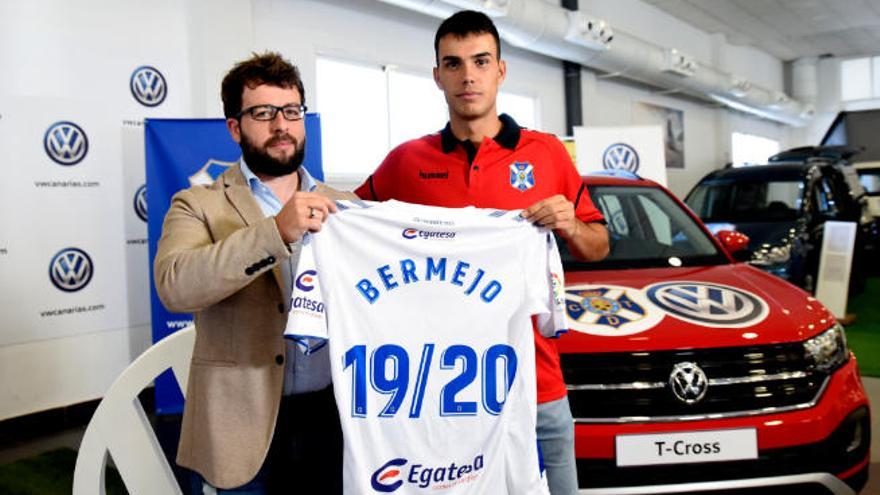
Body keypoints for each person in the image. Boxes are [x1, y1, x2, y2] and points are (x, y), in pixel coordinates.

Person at [354, 11, 609, 495]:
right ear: (437, 76)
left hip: (536, 384)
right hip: (441, 394)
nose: (467, 75)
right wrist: (300, 199)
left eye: (480, 61)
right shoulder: (407, 161)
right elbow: (350, 222)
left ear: (501, 70)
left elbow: (597, 245)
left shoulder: (548, 154)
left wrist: (570, 224)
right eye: (453, 64)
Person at [154, 52, 352, 494]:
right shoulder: (197, 204)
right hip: (236, 427)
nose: (281, 125)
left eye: (291, 111)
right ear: (234, 127)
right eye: (263, 113)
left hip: (332, 420)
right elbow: (175, 284)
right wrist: (275, 232)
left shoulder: (344, 205)